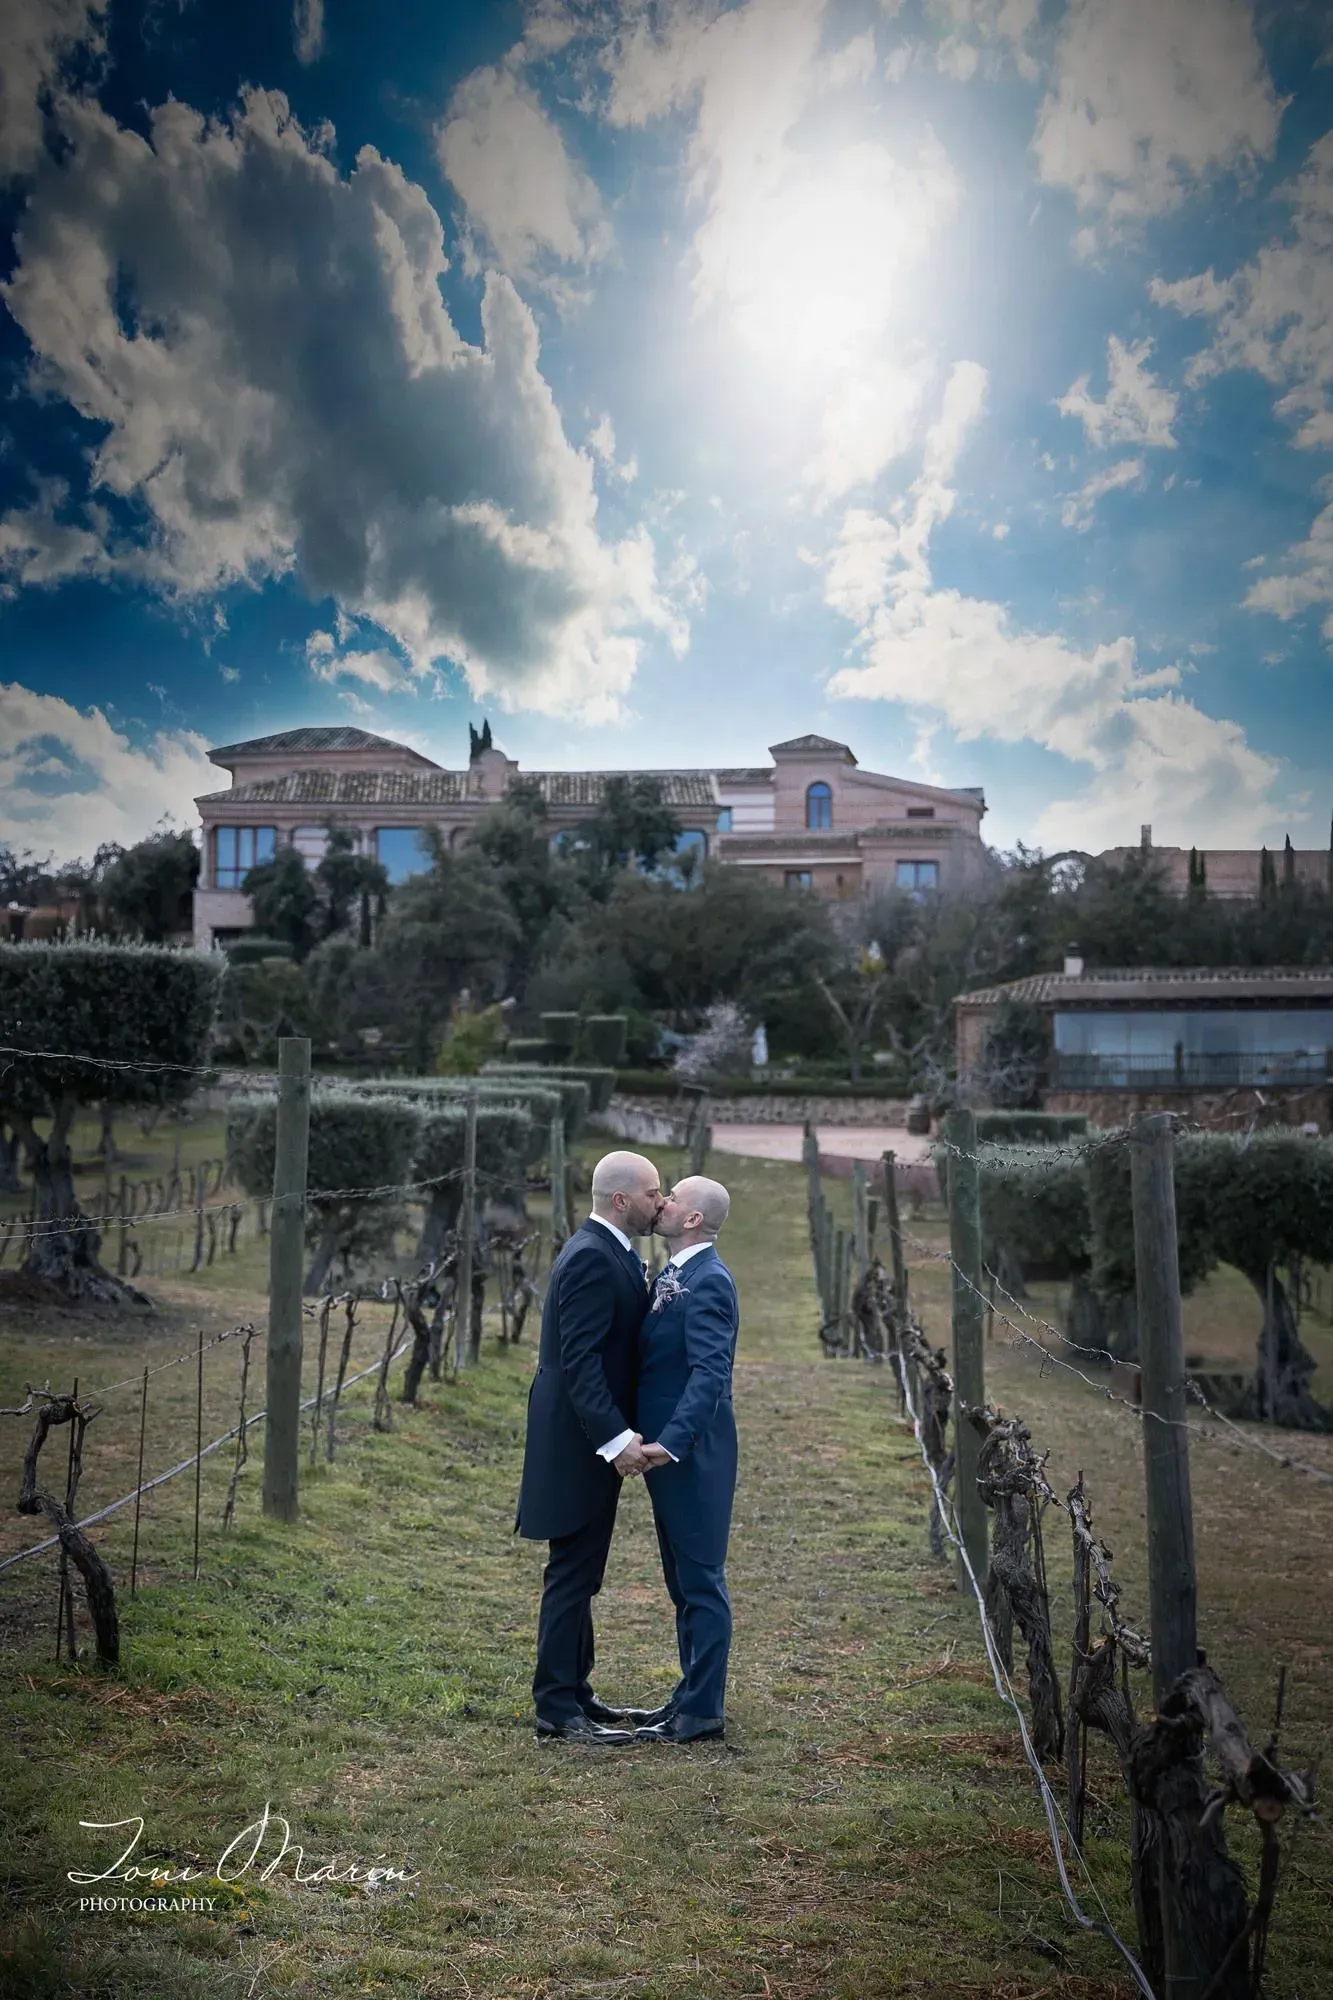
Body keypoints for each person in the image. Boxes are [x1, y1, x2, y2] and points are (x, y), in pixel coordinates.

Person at [515, 1150, 663, 1743]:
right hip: (577, 1441)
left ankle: (576, 1690)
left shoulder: (613, 1252)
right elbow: (579, 1362)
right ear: (622, 1200)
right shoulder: (591, 1259)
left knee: (584, 1572)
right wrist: (615, 1438)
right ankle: (555, 1706)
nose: (663, 1201)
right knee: (571, 1572)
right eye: (655, 1192)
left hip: (587, 1439)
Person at [630, 1175, 740, 1745]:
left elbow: (709, 1374)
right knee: (682, 1581)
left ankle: (702, 1713)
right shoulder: (673, 1274)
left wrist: (670, 1443)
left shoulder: (709, 1281)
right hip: (670, 1453)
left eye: (672, 1197)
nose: (663, 1202)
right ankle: (688, 1697)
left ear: (691, 1219)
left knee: (700, 1580)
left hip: (693, 1455)